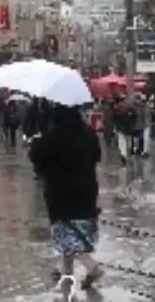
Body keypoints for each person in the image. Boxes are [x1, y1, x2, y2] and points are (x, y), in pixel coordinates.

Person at [29, 104, 104, 288]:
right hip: (87, 190)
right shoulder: (88, 134)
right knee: (71, 232)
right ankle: (66, 272)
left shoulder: (54, 136)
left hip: (61, 192)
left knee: (67, 233)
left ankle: (92, 267)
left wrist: (37, 142)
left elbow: (35, 157)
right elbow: (97, 156)